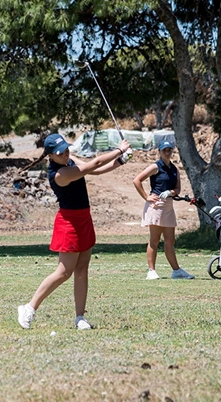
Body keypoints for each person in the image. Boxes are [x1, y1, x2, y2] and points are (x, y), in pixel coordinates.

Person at [17, 133, 131, 330]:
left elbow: (95, 170)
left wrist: (121, 160)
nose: (66, 154)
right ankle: (29, 307)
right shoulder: (59, 175)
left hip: (84, 218)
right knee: (64, 272)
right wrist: (119, 149)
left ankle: (80, 317)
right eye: (60, 153)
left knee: (82, 270)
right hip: (69, 222)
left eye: (66, 149)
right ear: (50, 156)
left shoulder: (69, 161)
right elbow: (93, 164)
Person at [132, 140, 194, 280]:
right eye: (164, 150)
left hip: (168, 206)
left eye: (169, 150)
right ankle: (151, 271)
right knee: (154, 240)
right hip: (156, 205)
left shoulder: (174, 169)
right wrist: (146, 197)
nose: (167, 152)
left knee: (170, 240)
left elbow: (178, 189)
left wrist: (171, 192)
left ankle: (176, 271)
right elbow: (137, 180)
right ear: (159, 151)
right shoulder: (155, 166)